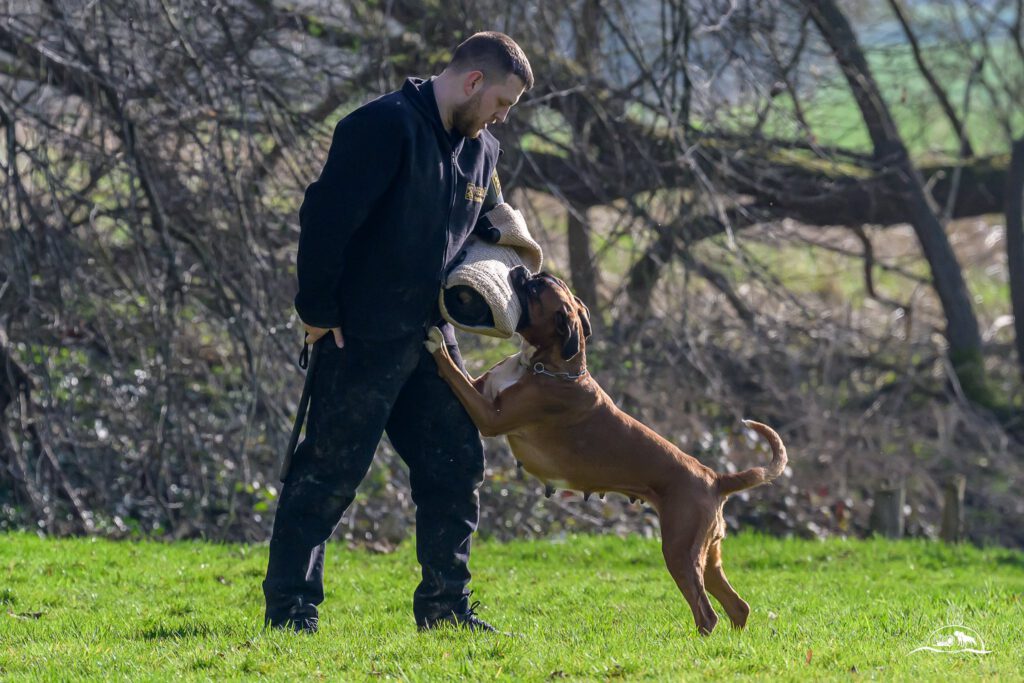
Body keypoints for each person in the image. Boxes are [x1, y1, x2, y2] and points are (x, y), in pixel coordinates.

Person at [263, 32, 533, 634]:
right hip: (357, 335)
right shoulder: (380, 126)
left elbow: (492, 229)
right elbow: (324, 219)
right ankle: (292, 610)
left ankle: (445, 608)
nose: (501, 118)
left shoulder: (482, 150)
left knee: (456, 466)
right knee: (327, 476)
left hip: (432, 341)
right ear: (473, 81)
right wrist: (317, 311)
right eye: (501, 103)